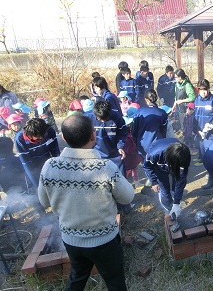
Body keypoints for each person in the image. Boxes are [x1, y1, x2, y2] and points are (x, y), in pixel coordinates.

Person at [38, 114, 134, 291]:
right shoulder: (105, 167)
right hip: (104, 241)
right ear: (93, 135)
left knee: (76, 279)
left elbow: (44, 201)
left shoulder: (49, 166)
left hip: (71, 239)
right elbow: (127, 197)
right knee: (115, 282)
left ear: (64, 138)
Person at [142, 138, 190, 218]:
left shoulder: (184, 156)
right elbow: (147, 166)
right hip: (159, 166)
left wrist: (176, 203)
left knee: (176, 187)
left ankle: (174, 204)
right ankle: (168, 210)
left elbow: (181, 180)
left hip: (172, 161)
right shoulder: (155, 154)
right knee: (164, 189)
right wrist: (154, 181)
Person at [193, 79, 213, 190]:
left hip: (210, 134)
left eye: (205, 90)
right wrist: (196, 129)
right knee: (205, 158)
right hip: (200, 134)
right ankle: (212, 176)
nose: (203, 92)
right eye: (200, 90)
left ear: (208, 89)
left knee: (211, 157)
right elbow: (195, 116)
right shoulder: (197, 100)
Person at [15, 118, 60, 189]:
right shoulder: (20, 139)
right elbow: (26, 163)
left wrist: (58, 171)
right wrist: (38, 186)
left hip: (48, 163)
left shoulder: (49, 131)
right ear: (29, 135)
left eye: (44, 136)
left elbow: (55, 151)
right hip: (33, 166)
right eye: (38, 138)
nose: (42, 139)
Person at [91, 101, 128, 175]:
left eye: (105, 118)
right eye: (100, 119)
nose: (103, 121)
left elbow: (123, 133)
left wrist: (120, 147)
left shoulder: (117, 117)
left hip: (115, 153)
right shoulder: (89, 118)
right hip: (97, 154)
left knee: (120, 179)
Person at [132, 89, 167, 158]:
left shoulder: (139, 112)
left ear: (146, 99)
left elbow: (134, 131)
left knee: (145, 166)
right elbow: (163, 132)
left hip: (142, 146)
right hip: (157, 146)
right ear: (156, 98)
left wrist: (135, 144)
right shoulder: (162, 113)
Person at [122, 107, 142, 187]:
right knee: (126, 172)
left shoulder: (130, 133)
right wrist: (136, 147)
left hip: (134, 158)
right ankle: (125, 185)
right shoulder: (126, 137)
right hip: (128, 158)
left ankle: (137, 182)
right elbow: (128, 149)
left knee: (135, 169)